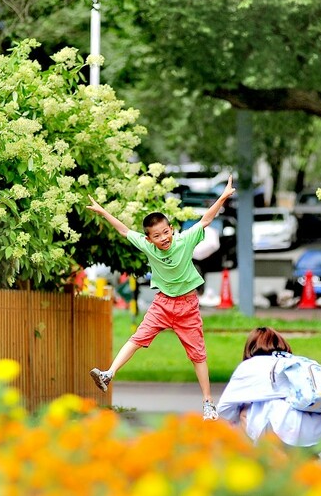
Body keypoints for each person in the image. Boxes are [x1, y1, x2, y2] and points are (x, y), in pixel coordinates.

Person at [85, 176, 236, 420]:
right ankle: (108, 373)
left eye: (166, 232)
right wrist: (103, 212)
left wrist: (223, 197)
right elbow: (124, 230)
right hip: (163, 304)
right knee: (137, 338)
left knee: (197, 354)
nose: (163, 238)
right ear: (149, 240)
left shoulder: (185, 240)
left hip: (187, 305)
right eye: (157, 236)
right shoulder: (147, 247)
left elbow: (206, 219)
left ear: (172, 230)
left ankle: (208, 403)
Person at [217, 327, 321, 455]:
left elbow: (224, 408)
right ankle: (306, 459)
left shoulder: (249, 366)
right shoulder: (298, 362)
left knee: (243, 413)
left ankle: (272, 459)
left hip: (284, 433)